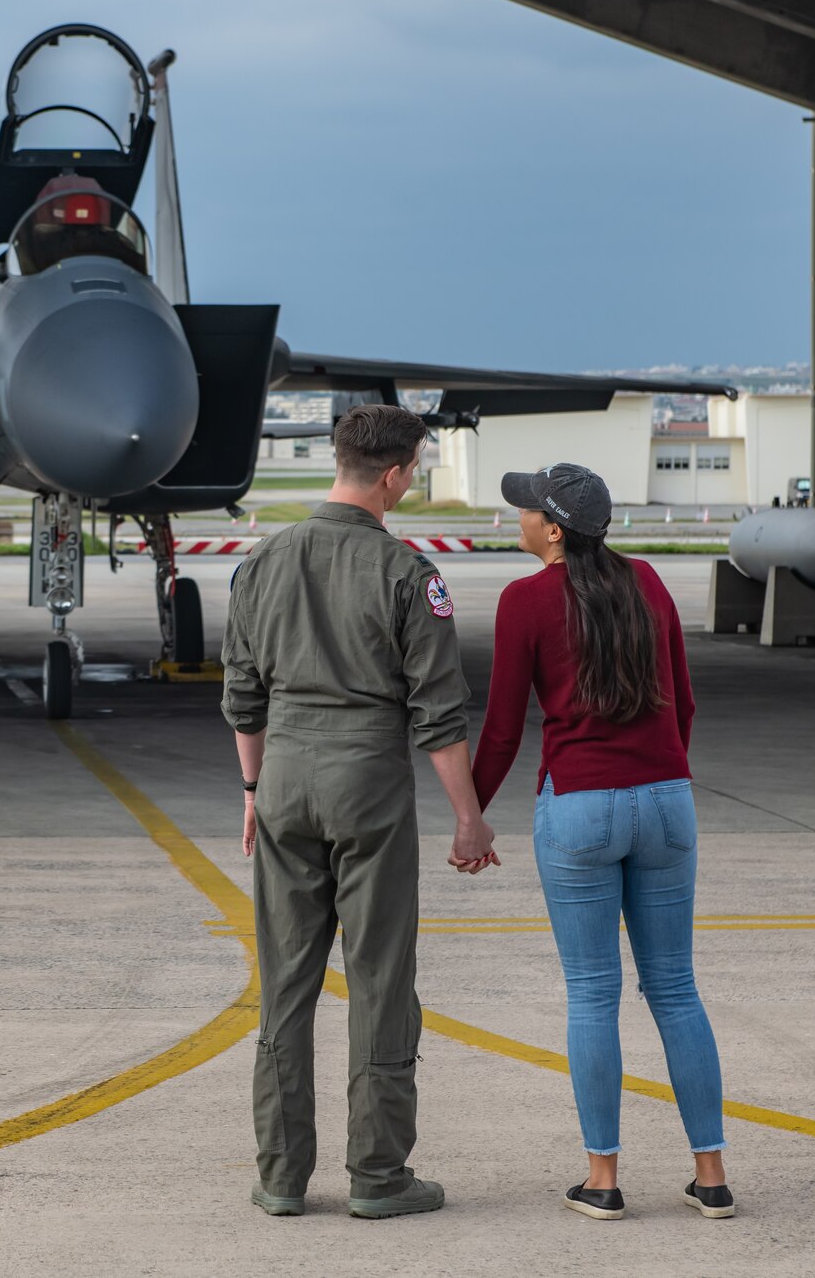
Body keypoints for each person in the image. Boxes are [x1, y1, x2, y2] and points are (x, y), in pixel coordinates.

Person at [221, 403, 498, 1222]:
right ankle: (378, 1173)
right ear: (393, 474)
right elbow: (439, 718)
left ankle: (280, 1174)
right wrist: (469, 819)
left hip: (285, 779)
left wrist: (253, 792)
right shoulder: (409, 574)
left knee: (285, 983)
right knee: (380, 979)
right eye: (413, 469)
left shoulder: (264, 561)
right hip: (368, 784)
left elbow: (243, 697)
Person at [472, 463, 734, 1222]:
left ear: (553, 529)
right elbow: (682, 700)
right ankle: (710, 1174)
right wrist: (656, 777)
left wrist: (473, 817)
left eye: (524, 508)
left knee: (593, 992)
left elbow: (499, 729)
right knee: (676, 988)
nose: (516, 515)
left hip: (581, 805)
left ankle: (603, 1178)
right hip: (667, 799)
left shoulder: (523, 601)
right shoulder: (646, 581)